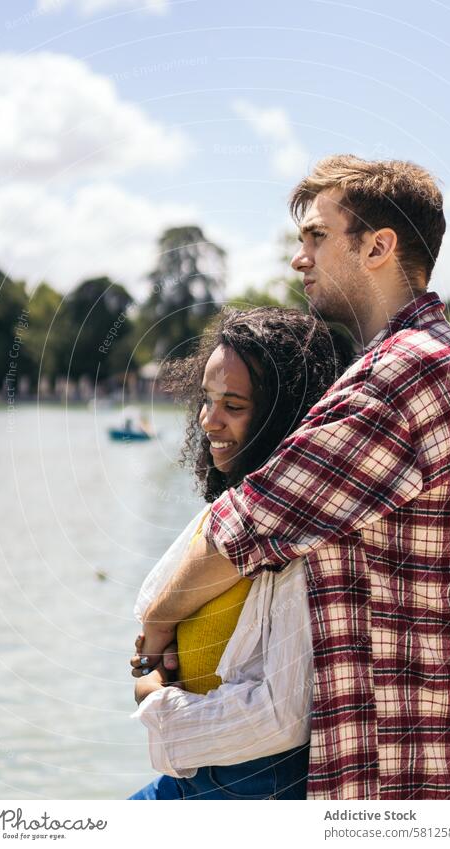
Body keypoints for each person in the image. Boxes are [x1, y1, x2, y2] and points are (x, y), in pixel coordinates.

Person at [132, 155, 450, 800]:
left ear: (379, 246)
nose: (300, 258)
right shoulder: (446, 360)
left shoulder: (403, 376)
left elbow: (249, 525)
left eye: (317, 236)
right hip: (427, 750)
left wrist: (155, 625)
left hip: (395, 763)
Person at [129, 307, 352, 799]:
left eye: (233, 405)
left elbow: (278, 719)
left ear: (283, 414)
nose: (209, 420)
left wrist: (158, 705)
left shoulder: (300, 547)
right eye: (206, 400)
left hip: (256, 785)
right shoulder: (224, 514)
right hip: (206, 777)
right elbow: (152, 624)